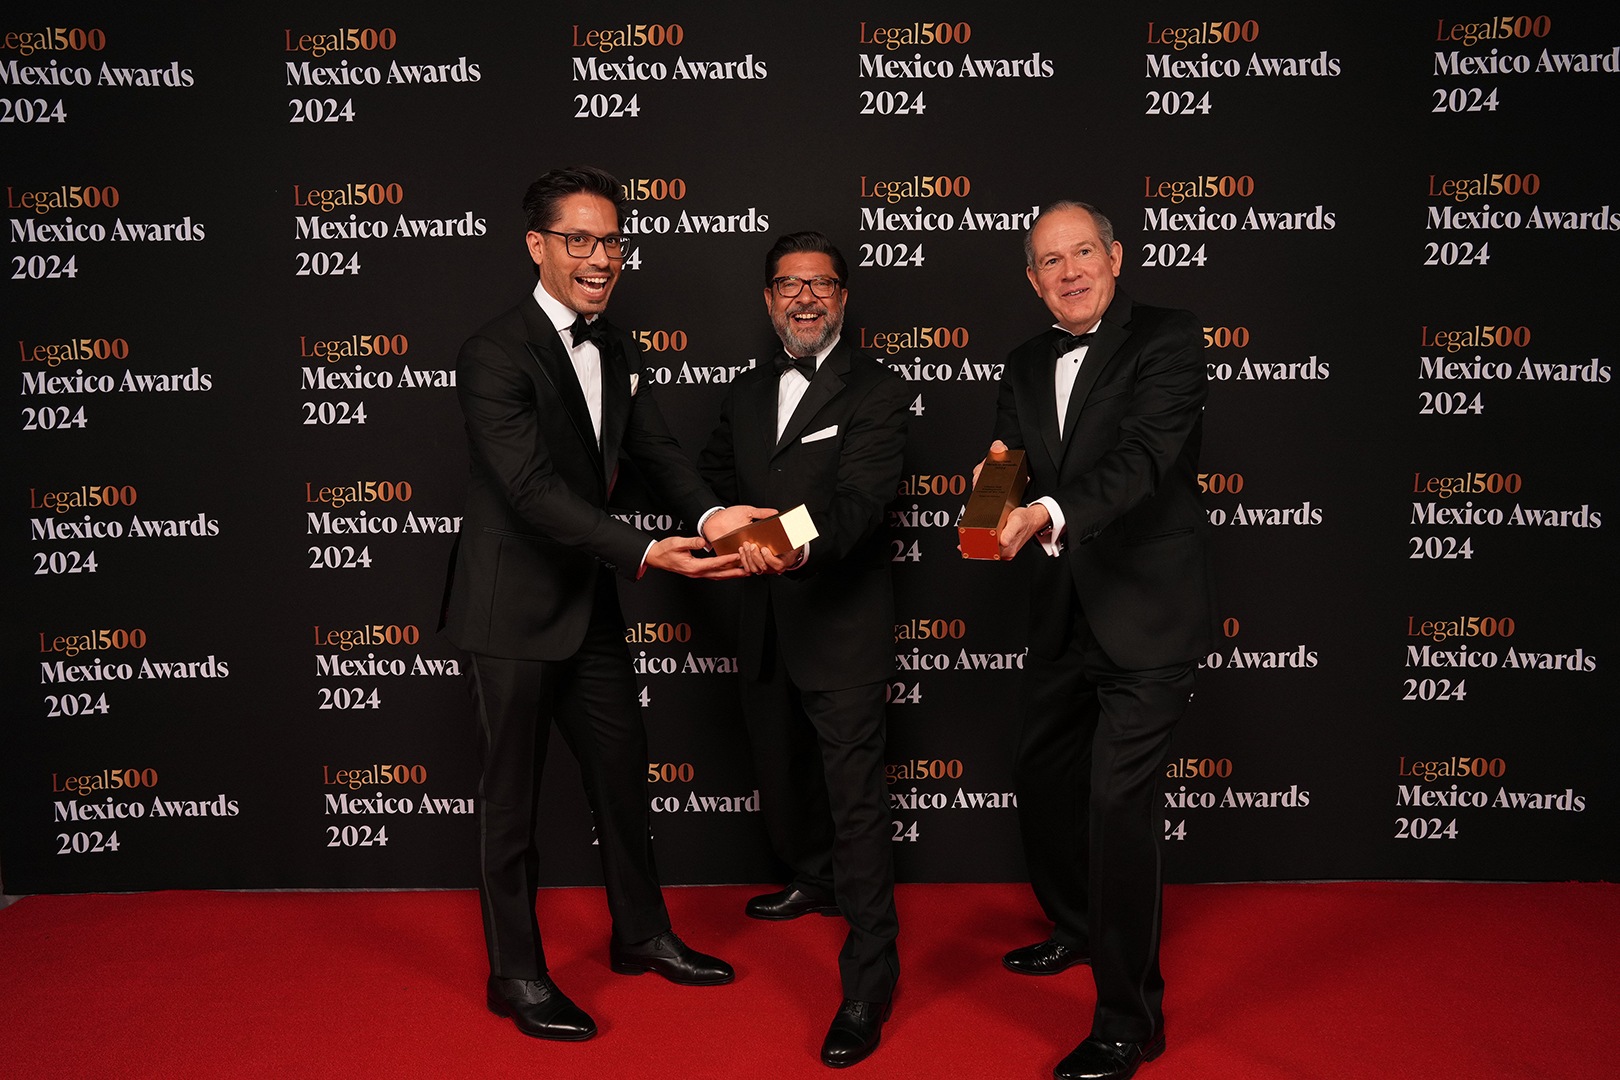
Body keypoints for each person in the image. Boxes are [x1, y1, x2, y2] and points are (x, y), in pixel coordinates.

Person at [440, 165, 765, 1041]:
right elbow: (529, 489)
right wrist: (645, 552)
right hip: (510, 610)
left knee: (622, 774)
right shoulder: (492, 352)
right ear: (536, 246)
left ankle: (641, 934)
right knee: (511, 803)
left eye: (612, 240)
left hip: (587, 604)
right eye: (579, 239)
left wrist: (712, 516)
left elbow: (655, 452)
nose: (600, 257)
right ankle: (515, 974)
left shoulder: (616, 347)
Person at [979, 202, 1215, 1080]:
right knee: (1042, 779)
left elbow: (1144, 459)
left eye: (1084, 252)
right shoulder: (1023, 361)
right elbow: (1009, 457)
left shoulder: (1168, 337)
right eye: (1051, 260)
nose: (1070, 271)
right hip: (1061, 608)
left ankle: (1129, 1022)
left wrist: (1046, 510)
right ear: (1032, 278)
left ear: (1116, 258)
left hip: (1147, 612)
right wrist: (993, 491)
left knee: (1118, 808)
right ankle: (1076, 926)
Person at [698, 231, 909, 1068]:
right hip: (764, 625)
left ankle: (869, 981)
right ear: (768, 300)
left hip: (841, 625)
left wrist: (781, 544)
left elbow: (860, 502)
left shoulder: (878, 389)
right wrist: (720, 527)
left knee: (856, 804)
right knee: (784, 776)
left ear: (843, 297)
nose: (806, 298)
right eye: (789, 285)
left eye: (821, 284)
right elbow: (713, 481)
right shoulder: (747, 391)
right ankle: (813, 879)